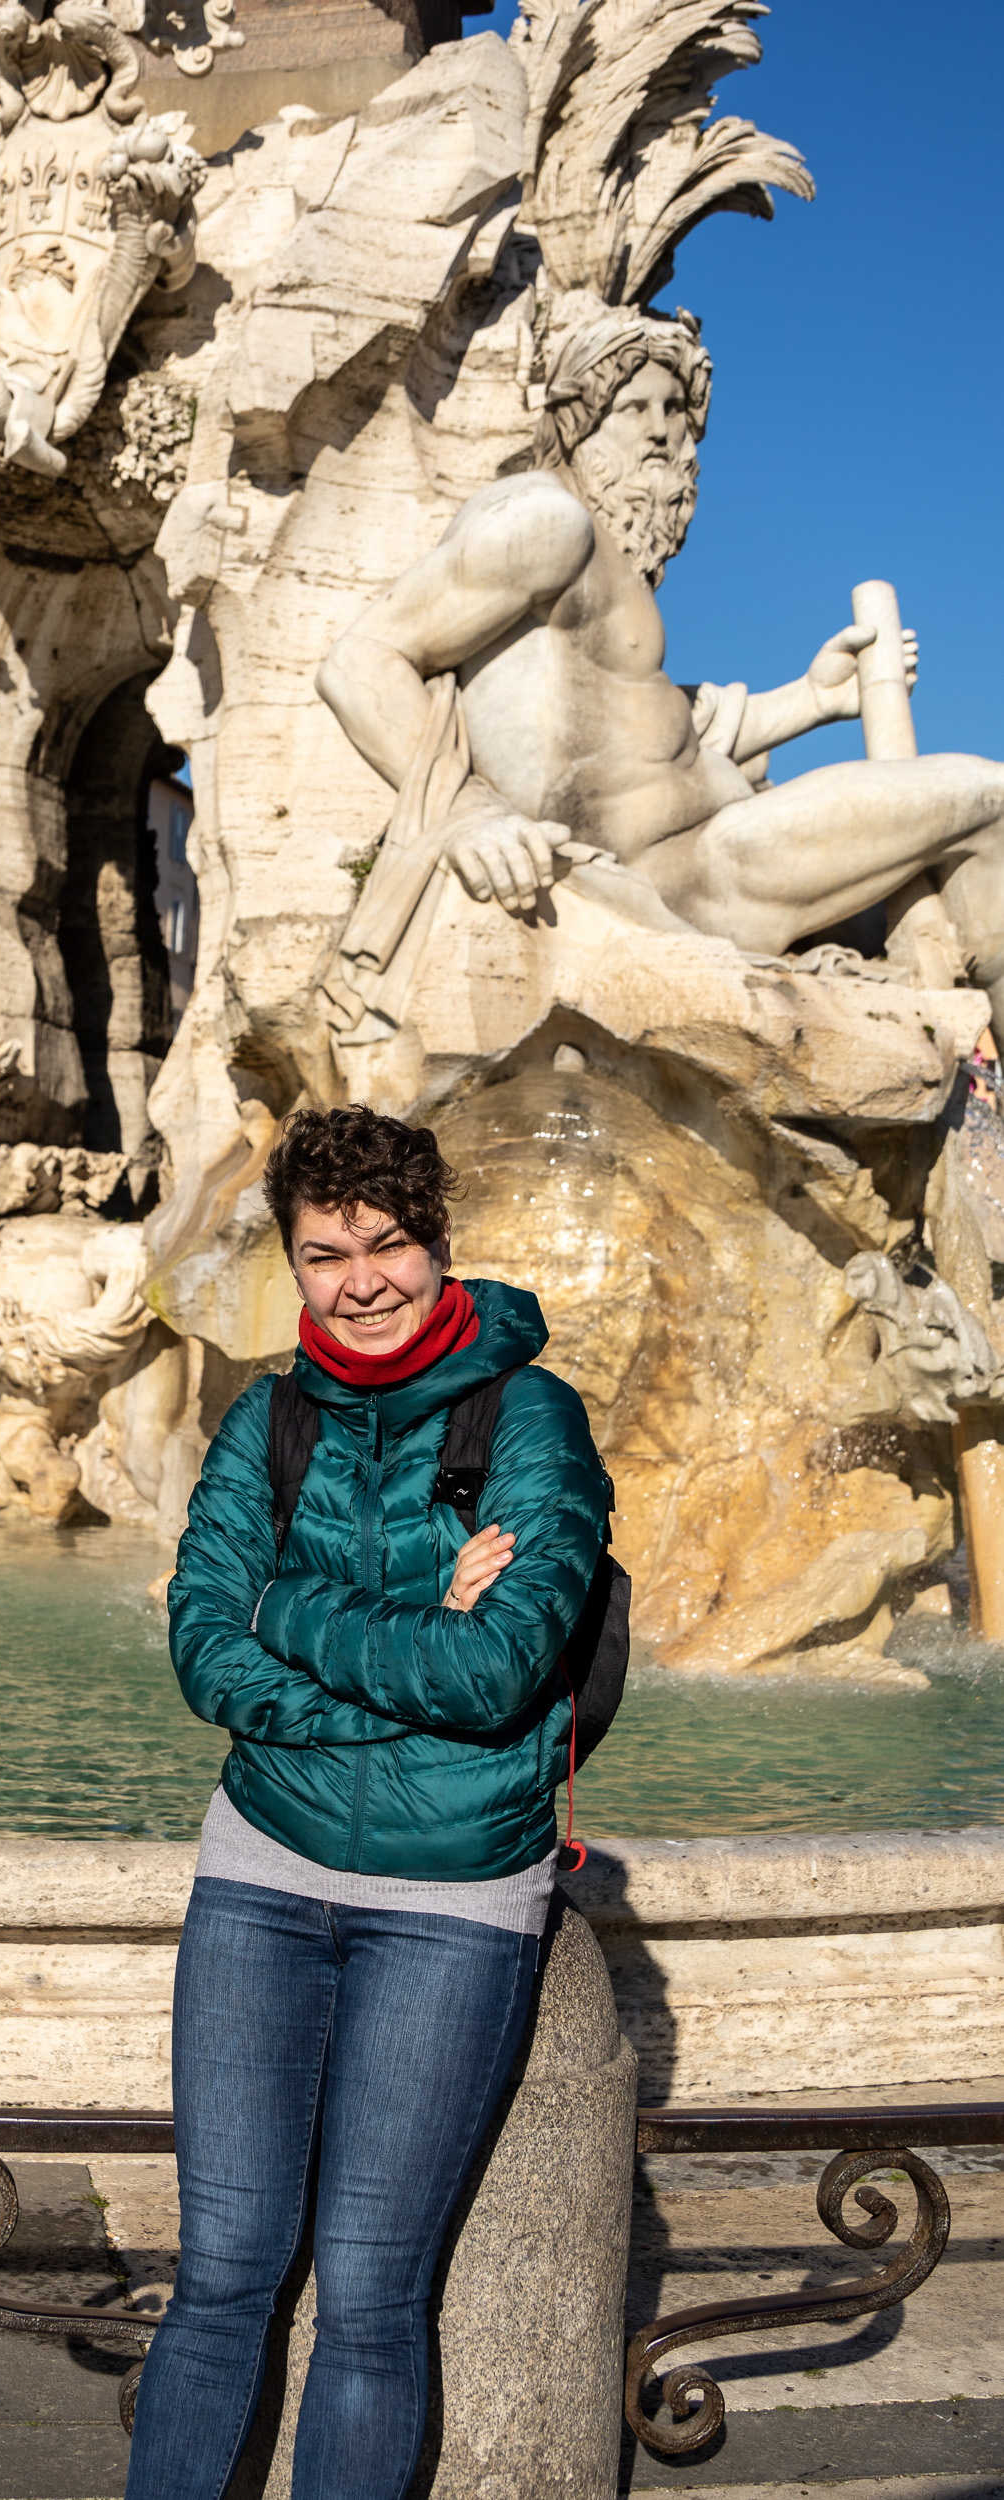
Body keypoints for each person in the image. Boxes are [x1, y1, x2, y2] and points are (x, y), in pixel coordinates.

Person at [125, 1104, 610, 2500]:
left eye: (385, 1244)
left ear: (436, 1240)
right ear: (291, 1261)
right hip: (258, 1877)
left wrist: (287, 1608)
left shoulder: (528, 1418)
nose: (359, 1282)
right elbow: (204, 1654)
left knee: (370, 2295)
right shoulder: (266, 1418)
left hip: (450, 1904)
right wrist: (415, 1647)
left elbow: (499, 1669)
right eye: (323, 1254)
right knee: (218, 2273)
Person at [314, 305, 1004, 1039]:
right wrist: (467, 815)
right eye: (631, 407)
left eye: (674, 409)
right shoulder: (543, 523)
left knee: (928, 906)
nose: (659, 430)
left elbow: (654, 737)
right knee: (988, 799)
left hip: (714, 853)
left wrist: (808, 700)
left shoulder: (607, 563)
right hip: (684, 876)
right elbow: (360, 660)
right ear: (577, 421)